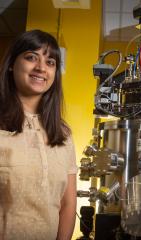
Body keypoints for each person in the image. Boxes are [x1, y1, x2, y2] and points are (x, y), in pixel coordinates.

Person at [0, 29, 77, 240]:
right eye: (31, 57)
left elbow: (68, 204)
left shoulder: (63, 134)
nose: (41, 68)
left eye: (50, 62)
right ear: (10, 65)